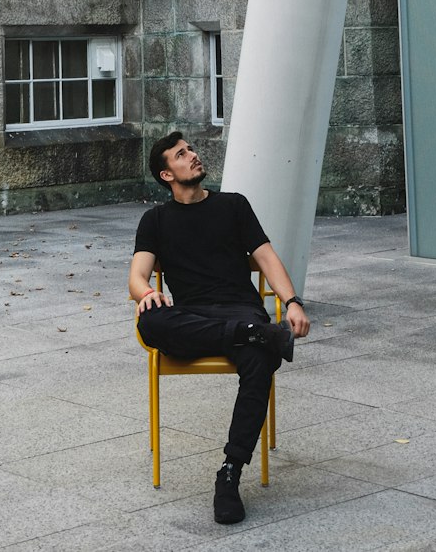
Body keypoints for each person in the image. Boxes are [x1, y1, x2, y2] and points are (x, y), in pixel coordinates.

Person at [129, 130, 311, 525]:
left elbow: (267, 258)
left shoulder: (233, 206)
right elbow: (137, 277)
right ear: (167, 175)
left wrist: (292, 301)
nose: (193, 155)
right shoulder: (155, 220)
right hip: (193, 320)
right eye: (181, 154)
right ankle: (253, 335)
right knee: (151, 320)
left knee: (260, 360)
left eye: (191, 149)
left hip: (240, 311)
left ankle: (230, 473)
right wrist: (146, 293)